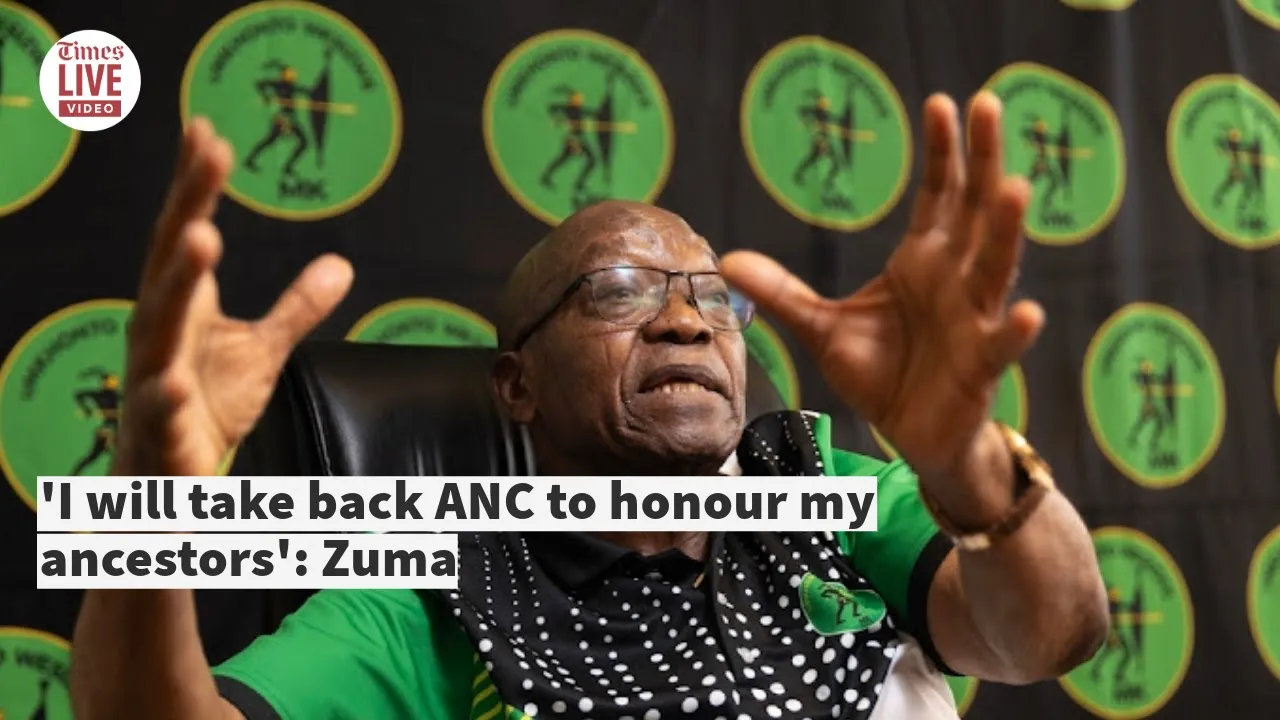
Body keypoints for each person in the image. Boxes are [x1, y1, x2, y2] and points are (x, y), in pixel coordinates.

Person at [69, 91, 1108, 720]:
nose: (686, 321)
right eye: (618, 292)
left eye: (712, 297)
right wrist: (151, 506)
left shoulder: (830, 492)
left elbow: (1050, 636)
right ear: (515, 383)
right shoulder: (433, 594)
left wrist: (967, 460)